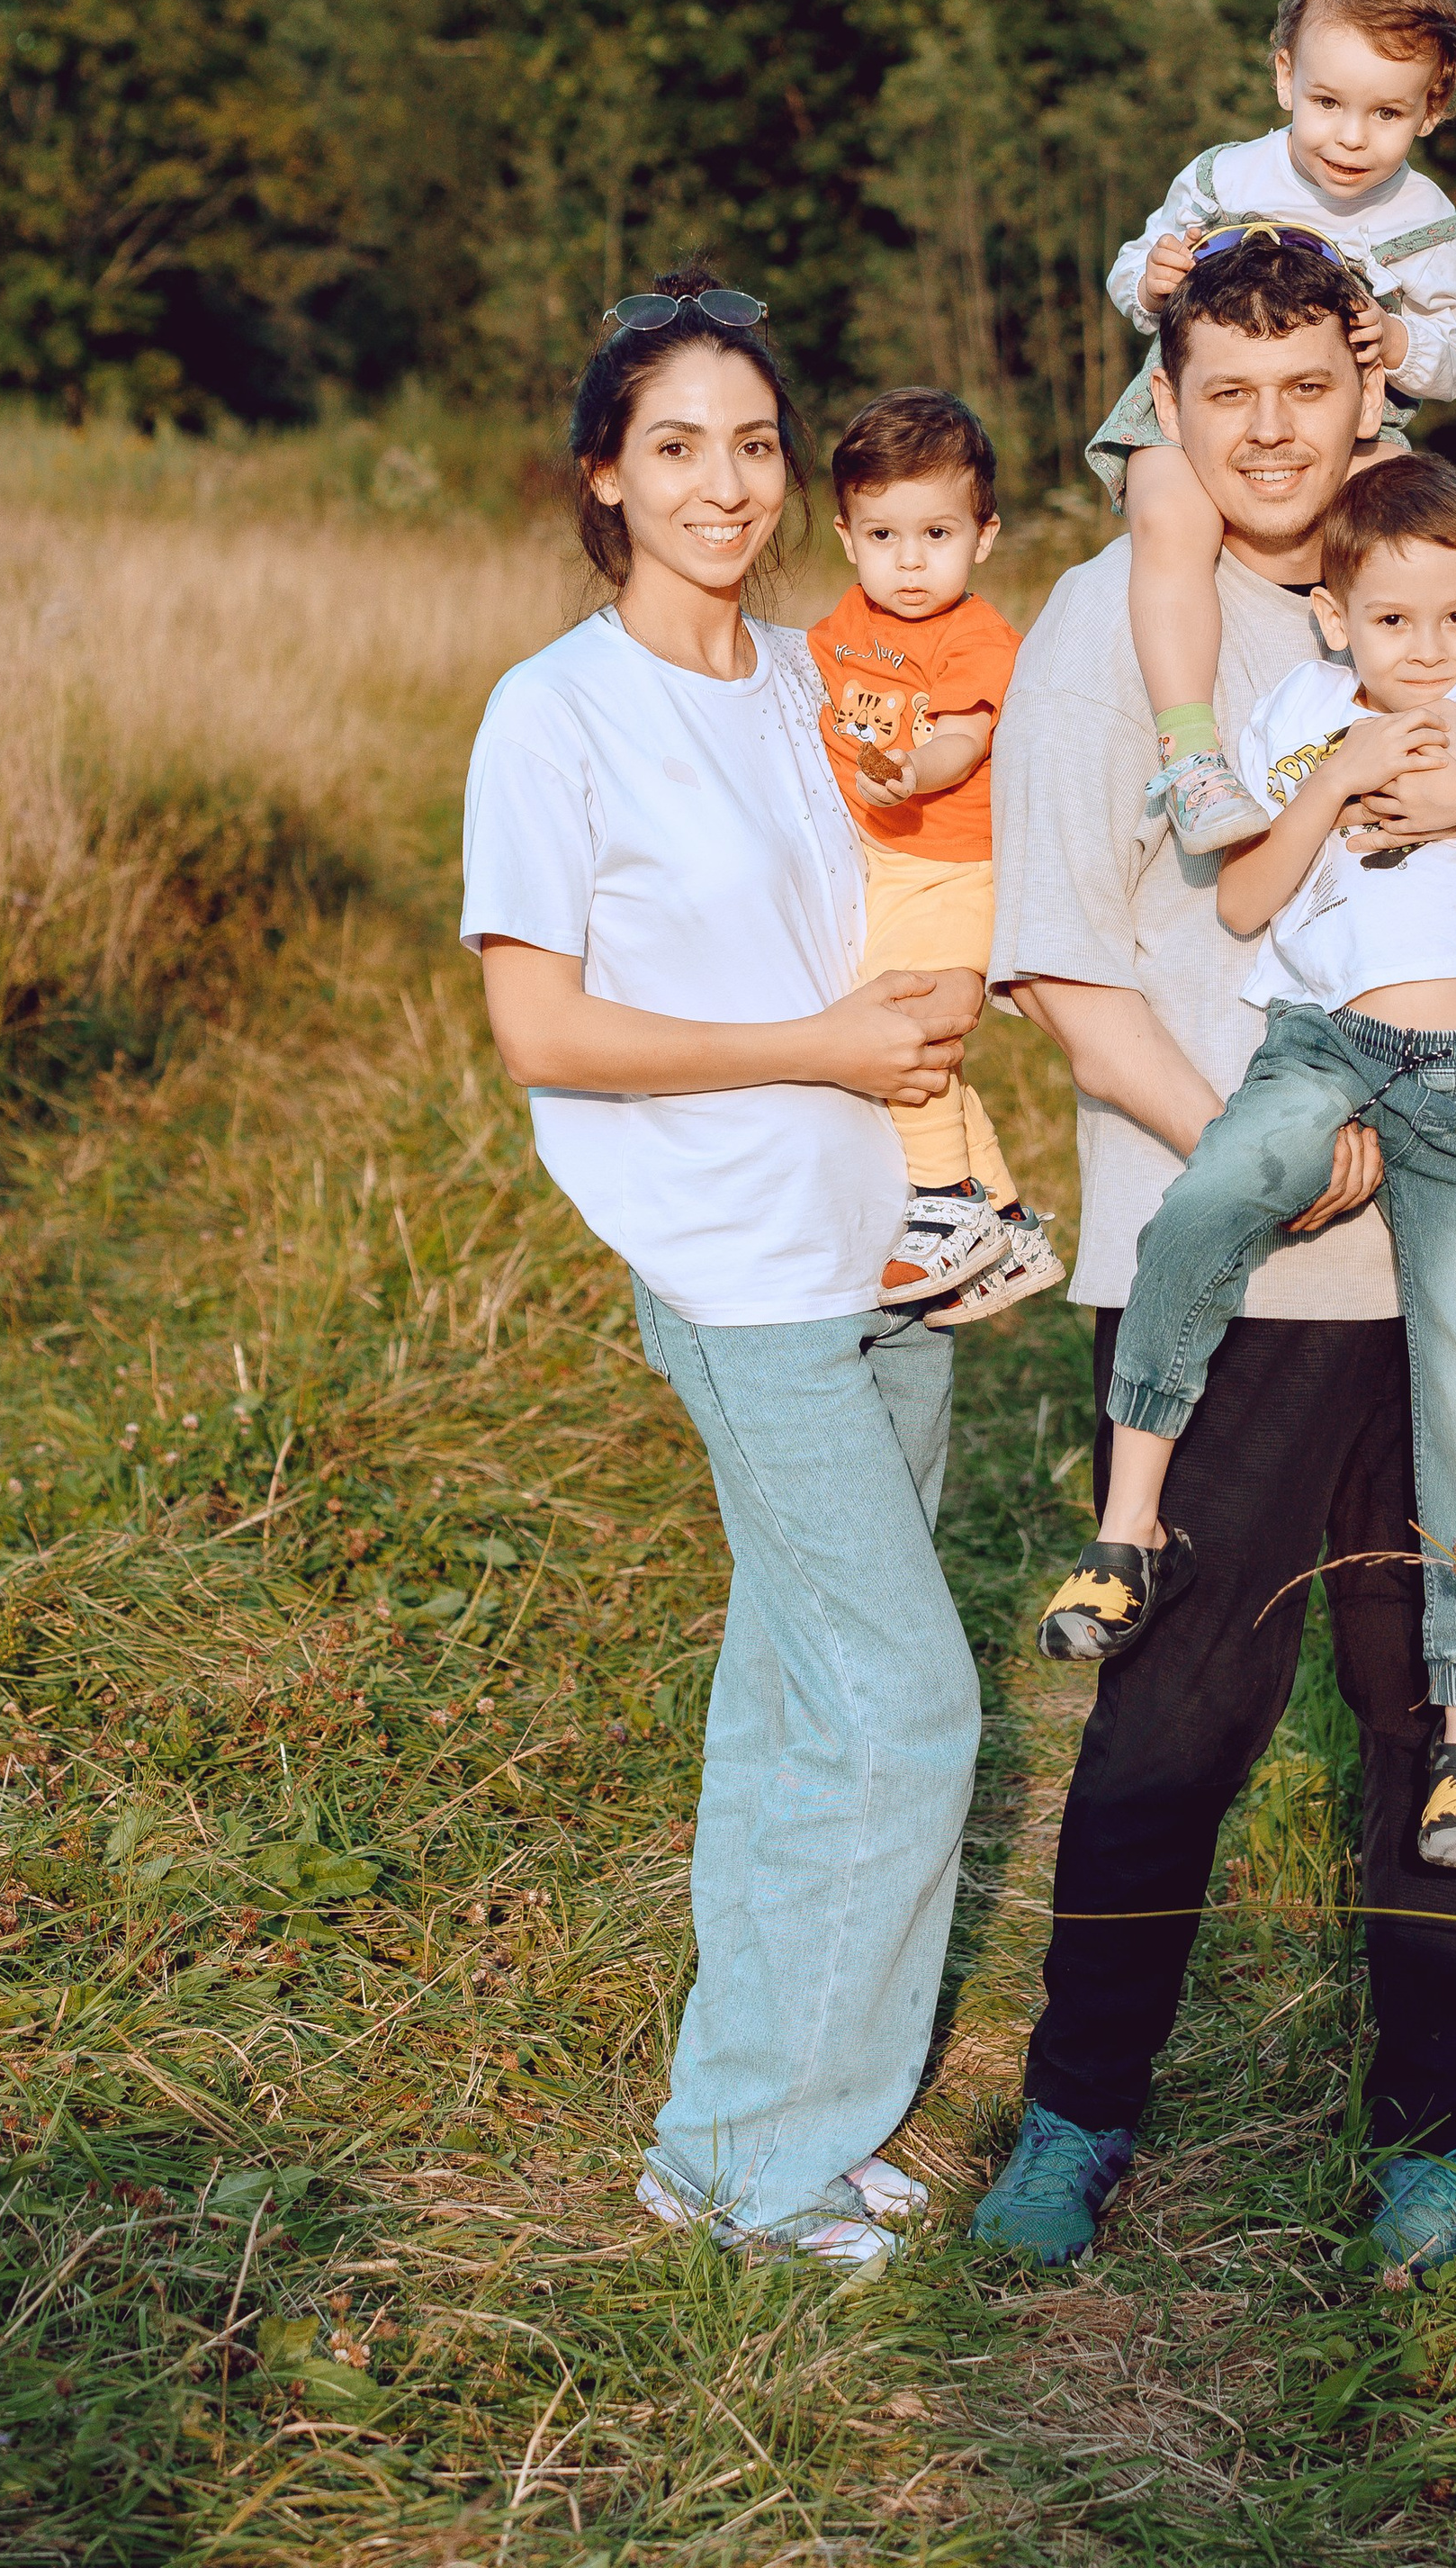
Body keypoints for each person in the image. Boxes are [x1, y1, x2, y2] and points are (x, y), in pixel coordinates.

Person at [971, 228, 1456, 2279]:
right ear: (1170, 400)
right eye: (1227, 395)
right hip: (1231, 1247)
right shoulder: (1097, 621)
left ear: (1359, 380)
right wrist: (1260, 1164)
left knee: (1429, 1699)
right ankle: (1074, 2106)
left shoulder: (1452, 570)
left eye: (1305, 388)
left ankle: (1423, 2128)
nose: (1270, 431)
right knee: (1172, 1708)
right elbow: (1051, 957)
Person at [459, 266, 983, 2271]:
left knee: (791, 1697)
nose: (724, 482)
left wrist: (923, 997)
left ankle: (748, 2125)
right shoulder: (553, 713)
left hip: (883, 1235)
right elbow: (545, 1032)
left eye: (755, 444)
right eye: (675, 445)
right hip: (731, 1264)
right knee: (901, 1696)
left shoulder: (814, 677)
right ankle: (763, 2167)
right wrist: (816, 1046)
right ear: (604, 474)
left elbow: (902, 887)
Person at [1038, 454, 1456, 1879]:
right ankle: (1128, 1528)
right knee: (1202, 1204)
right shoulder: (1303, 713)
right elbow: (1251, 893)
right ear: (1338, 623)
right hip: (1323, 1047)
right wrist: (1338, 779)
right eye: (1396, 624)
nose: (1429, 648)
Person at [1092, 0, 1456, 855]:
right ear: (1282, 79)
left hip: (1357, 418)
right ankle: (1191, 757)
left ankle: (1421, 742)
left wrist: (1397, 341)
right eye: (1326, 104)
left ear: (1432, 108)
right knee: (1168, 522)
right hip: (1197, 410)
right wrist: (1150, 284)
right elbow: (1126, 275)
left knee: (1411, 535)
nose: (1349, 136)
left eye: (1385, 113)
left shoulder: (1424, 223)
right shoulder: (1226, 177)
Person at [806, 388, 1065, 1325]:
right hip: (886, 865)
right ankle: (1005, 1222)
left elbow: (961, 741)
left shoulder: (977, 638)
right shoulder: (845, 624)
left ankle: (944, 1196)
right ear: (846, 536)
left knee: (901, 1029)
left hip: (953, 865)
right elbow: (810, 691)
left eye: (935, 535)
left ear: (983, 536)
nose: (909, 563)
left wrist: (911, 772)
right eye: (883, 537)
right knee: (916, 1040)